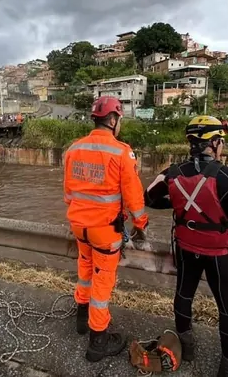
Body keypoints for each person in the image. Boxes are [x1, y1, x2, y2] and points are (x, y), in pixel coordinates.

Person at [144, 115, 228, 376]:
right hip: (220, 254)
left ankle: (187, 346)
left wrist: (181, 204)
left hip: (185, 248)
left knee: (184, 295)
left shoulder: (171, 173)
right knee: (227, 308)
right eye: (222, 142)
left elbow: (148, 197)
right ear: (214, 143)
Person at [63, 95, 149, 362]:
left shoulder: (74, 149)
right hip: (105, 231)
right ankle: (97, 341)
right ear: (113, 120)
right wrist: (140, 225)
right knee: (102, 282)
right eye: (119, 119)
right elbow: (134, 198)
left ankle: (81, 318)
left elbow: (68, 193)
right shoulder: (122, 152)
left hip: (79, 226)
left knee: (85, 270)